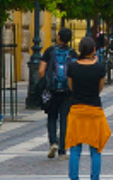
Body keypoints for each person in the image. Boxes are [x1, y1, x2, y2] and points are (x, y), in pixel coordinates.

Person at [63, 38, 112, 180]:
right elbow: (99, 89)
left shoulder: (72, 67)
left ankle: (74, 178)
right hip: (94, 110)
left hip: (77, 110)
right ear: (94, 50)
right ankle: (94, 178)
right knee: (96, 149)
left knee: (75, 149)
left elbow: (71, 88)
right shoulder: (99, 68)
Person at [37, 28, 77, 158]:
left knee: (52, 117)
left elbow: (41, 71)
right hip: (67, 92)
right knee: (64, 119)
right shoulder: (73, 53)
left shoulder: (50, 51)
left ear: (59, 37)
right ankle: (62, 150)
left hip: (52, 90)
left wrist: (45, 83)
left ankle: (53, 142)